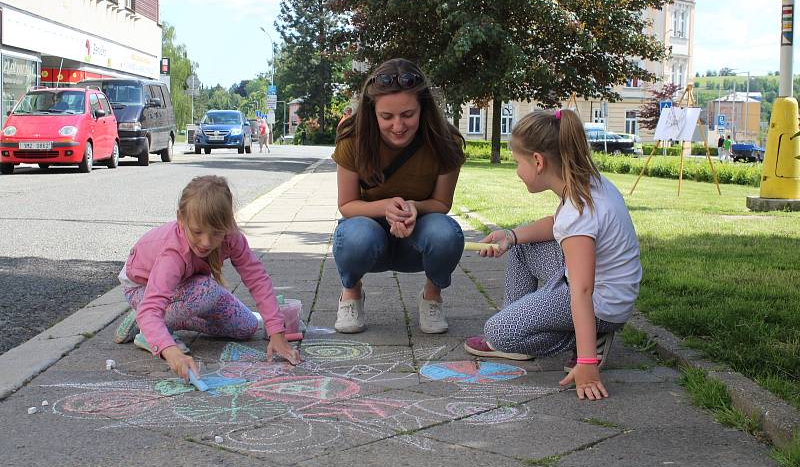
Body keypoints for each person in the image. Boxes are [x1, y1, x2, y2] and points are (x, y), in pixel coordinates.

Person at [464, 109, 642, 400]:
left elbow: (582, 291)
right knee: (520, 248)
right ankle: (526, 323)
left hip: (601, 304)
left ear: (537, 161)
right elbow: (556, 226)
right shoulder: (586, 183)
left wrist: (586, 363)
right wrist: (510, 236)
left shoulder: (579, 212)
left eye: (516, 163)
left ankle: (588, 342)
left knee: (498, 332)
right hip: (598, 287)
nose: (516, 171)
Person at [113, 175, 301, 381]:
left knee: (247, 326)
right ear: (181, 219)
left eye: (216, 233)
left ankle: (158, 323)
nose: (205, 242)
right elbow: (153, 308)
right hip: (142, 289)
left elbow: (256, 278)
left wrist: (276, 332)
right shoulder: (173, 253)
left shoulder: (231, 237)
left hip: (186, 287)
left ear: (228, 224)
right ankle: (149, 329)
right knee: (205, 291)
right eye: (197, 232)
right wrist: (171, 352)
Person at [332, 58, 466, 335]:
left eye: (408, 114)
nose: (398, 126)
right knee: (354, 236)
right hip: (369, 236)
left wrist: (413, 207)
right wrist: (384, 207)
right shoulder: (352, 138)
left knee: (447, 233)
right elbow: (346, 205)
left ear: (424, 108)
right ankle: (352, 292)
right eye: (387, 117)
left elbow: (441, 204)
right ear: (372, 112)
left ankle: (432, 296)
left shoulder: (446, 142)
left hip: (418, 236)